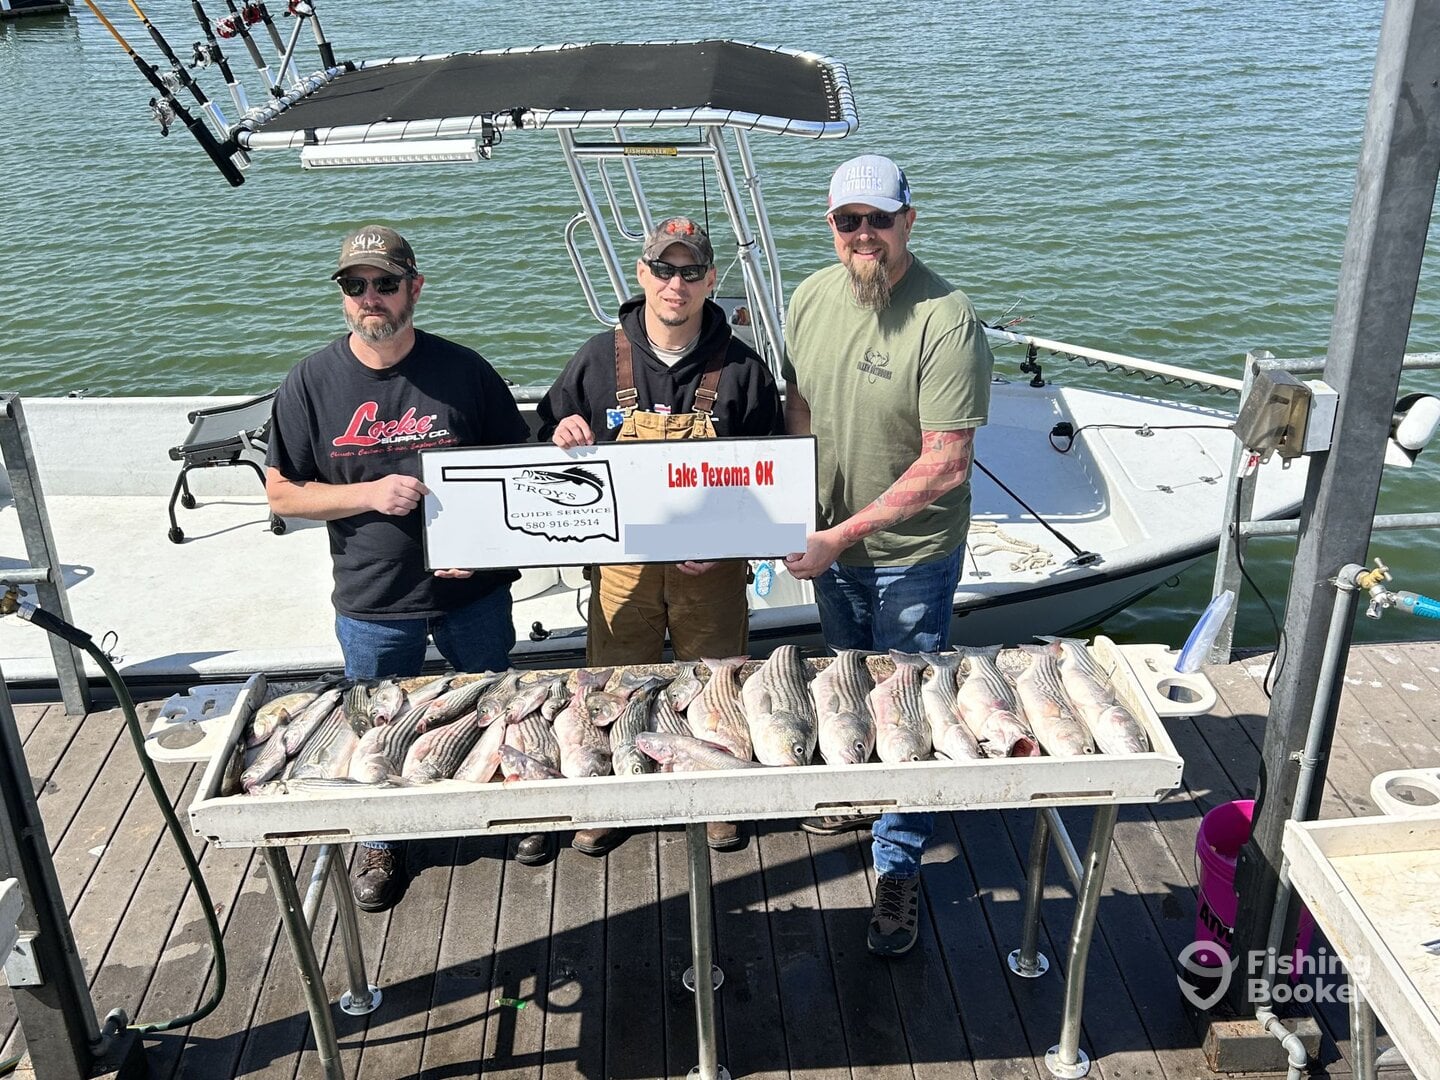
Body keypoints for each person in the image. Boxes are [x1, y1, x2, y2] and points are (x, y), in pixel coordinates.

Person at [266, 224, 546, 914]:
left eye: (385, 283)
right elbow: (283, 495)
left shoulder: (465, 370)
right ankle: (381, 837)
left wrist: (483, 544)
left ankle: (514, 804)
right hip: (372, 598)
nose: (371, 297)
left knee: (495, 703)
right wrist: (368, 494)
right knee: (374, 723)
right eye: (355, 285)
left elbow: (516, 471)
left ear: (414, 288)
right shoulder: (309, 381)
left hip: (474, 592)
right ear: (343, 296)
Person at [781, 156, 994, 957]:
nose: (863, 234)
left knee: (905, 700)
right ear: (830, 225)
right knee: (845, 676)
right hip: (829, 547)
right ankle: (858, 786)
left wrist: (839, 535)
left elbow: (947, 462)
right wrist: (796, 509)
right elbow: (800, 403)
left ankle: (898, 858)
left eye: (879, 219)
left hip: (911, 556)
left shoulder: (947, 318)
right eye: (849, 221)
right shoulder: (809, 296)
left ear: (909, 219)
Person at [537, 215, 783, 856]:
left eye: (691, 271)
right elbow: (542, 443)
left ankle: (716, 797)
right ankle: (611, 795)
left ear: (711, 279)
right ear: (642, 274)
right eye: (664, 269)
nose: (677, 283)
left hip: (713, 570)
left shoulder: (744, 370)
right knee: (611, 685)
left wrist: (730, 542)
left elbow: (772, 481)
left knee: (716, 684)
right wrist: (561, 434)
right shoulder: (597, 358)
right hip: (622, 568)